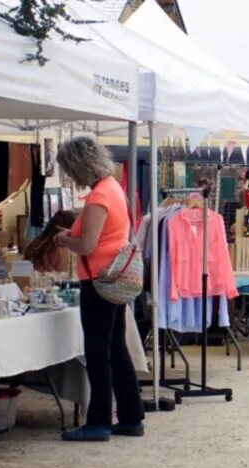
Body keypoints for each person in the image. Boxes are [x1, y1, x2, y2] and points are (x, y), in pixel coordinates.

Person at [53, 135, 145, 442]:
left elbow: (88, 245)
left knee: (98, 352)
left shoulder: (97, 197)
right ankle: (131, 416)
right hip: (114, 278)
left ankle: (99, 421)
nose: (69, 176)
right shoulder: (114, 189)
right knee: (116, 349)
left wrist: (66, 240)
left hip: (99, 280)